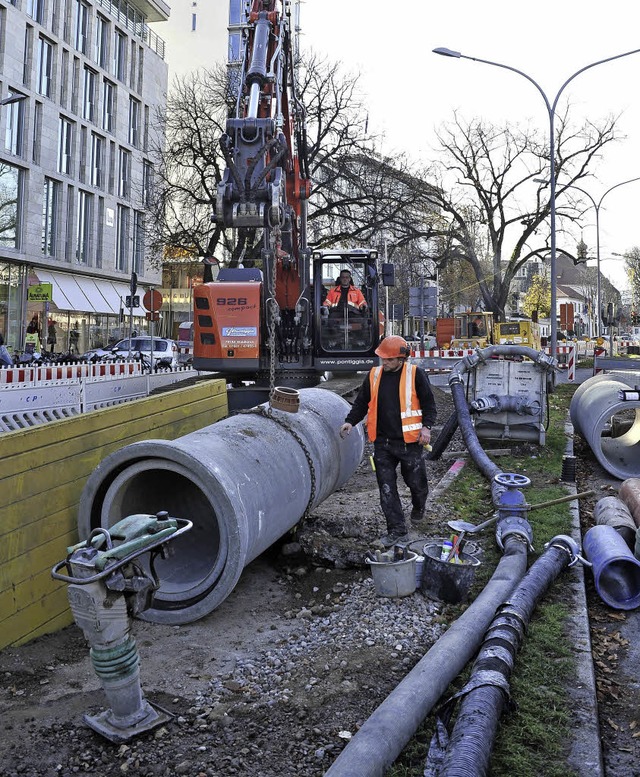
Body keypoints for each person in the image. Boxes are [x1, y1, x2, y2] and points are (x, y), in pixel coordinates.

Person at [339, 335, 437, 547]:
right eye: (383, 358)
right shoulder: (374, 375)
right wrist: (350, 422)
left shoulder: (415, 374)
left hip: (409, 442)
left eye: (389, 359)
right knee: (386, 488)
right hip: (382, 443)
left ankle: (419, 506)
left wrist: (426, 427)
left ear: (401, 359)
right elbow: (361, 402)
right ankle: (397, 530)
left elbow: (429, 403)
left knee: (416, 483)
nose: (385, 363)